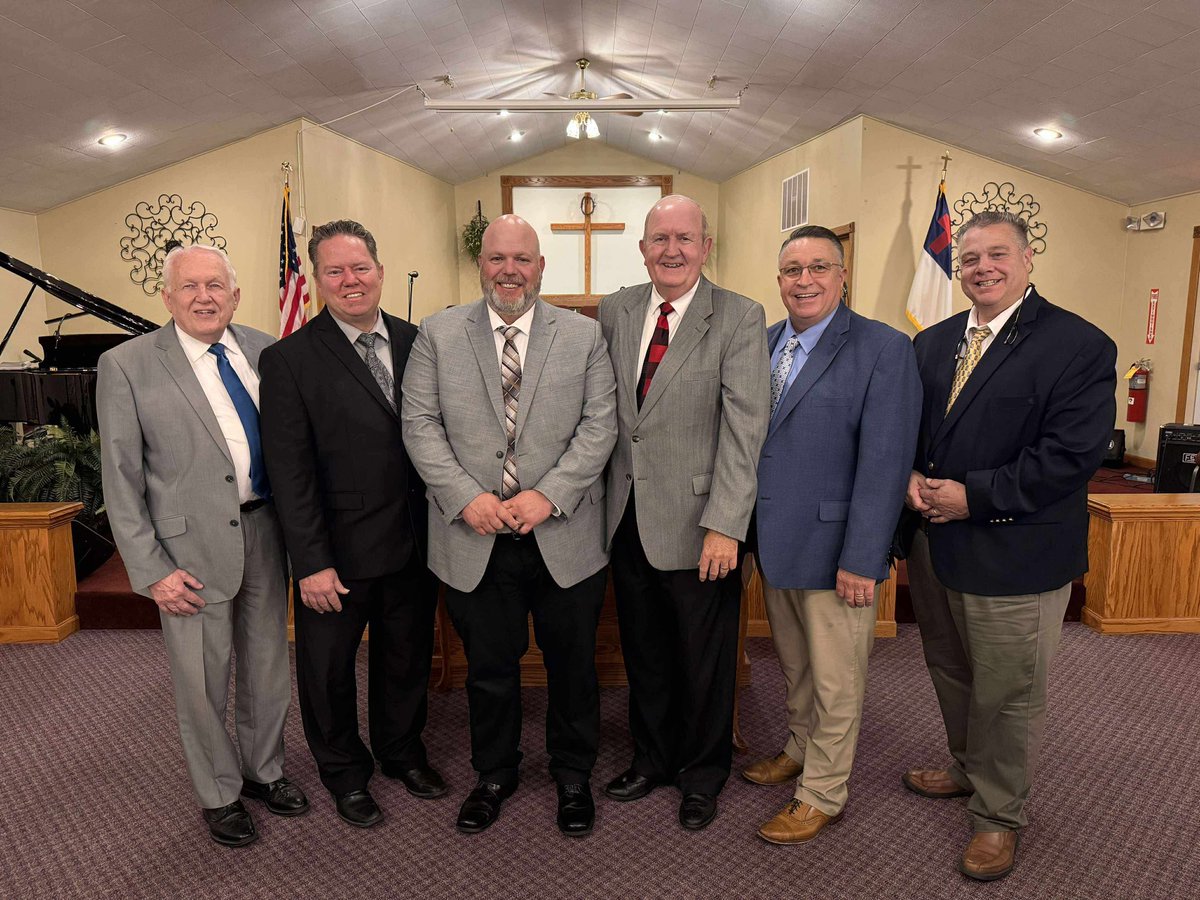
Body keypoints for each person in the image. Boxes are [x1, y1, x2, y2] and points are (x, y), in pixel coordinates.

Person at [899, 210, 1117, 881]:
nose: (982, 268)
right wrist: (906, 473)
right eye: (970, 258)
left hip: (1016, 551)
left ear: (1027, 261)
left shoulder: (1078, 346)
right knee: (952, 671)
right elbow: (910, 430)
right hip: (936, 546)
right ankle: (967, 769)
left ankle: (999, 817)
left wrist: (975, 494)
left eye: (998, 255)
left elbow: (1070, 457)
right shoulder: (931, 344)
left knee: (1010, 693)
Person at [401, 214, 617, 837]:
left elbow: (599, 426)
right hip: (475, 536)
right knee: (490, 670)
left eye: (521, 258)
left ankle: (573, 775)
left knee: (572, 667)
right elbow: (420, 425)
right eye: (497, 258)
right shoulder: (438, 334)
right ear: (481, 265)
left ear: (540, 266)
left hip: (564, 537)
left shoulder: (583, 335)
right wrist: (465, 497)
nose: (509, 270)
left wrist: (551, 494)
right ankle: (493, 773)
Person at [98, 244, 307, 848]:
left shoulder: (269, 350)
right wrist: (150, 570)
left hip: (267, 531)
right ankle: (219, 792)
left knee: (268, 667)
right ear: (167, 298)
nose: (204, 297)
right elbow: (121, 479)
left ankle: (264, 772)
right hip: (185, 553)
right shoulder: (128, 364)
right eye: (189, 287)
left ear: (235, 294)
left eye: (216, 285)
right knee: (202, 679)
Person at [258, 220, 443, 829]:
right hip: (334, 553)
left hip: (417, 540)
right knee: (329, 669)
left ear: (380, 271)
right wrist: (309, 561)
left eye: (359, 267)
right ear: (316, 283)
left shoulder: (422, 342)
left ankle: (400, 751)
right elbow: (290, 471)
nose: (350, 281)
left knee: (406, 658)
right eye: (334, 271)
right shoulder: (288, 359)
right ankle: (343, 770)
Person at [742, 225, 921, 844]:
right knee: (796, 665)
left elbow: (885, 462)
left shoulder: (882, 348)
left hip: (840, 550)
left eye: (820, 267)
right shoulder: (761, 344)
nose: (805, 280)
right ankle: (797, 747)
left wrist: (863, 558)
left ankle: (822, 792)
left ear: (843, 275)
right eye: (793, 269)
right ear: (779, 278)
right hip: (776, 542)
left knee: (837, 677)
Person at [598, 194, 770, 830]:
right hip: (626, 518)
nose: (672, 251)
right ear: (643, 247)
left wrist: (726, 523)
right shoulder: (616, 309)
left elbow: (745, 427)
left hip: (704, 525)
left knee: (703, 657)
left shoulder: (738, 316)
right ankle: (651, 758)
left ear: (706, 247)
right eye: (660, 239)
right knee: (643, 651)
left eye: (685, 239)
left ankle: (701, 774)